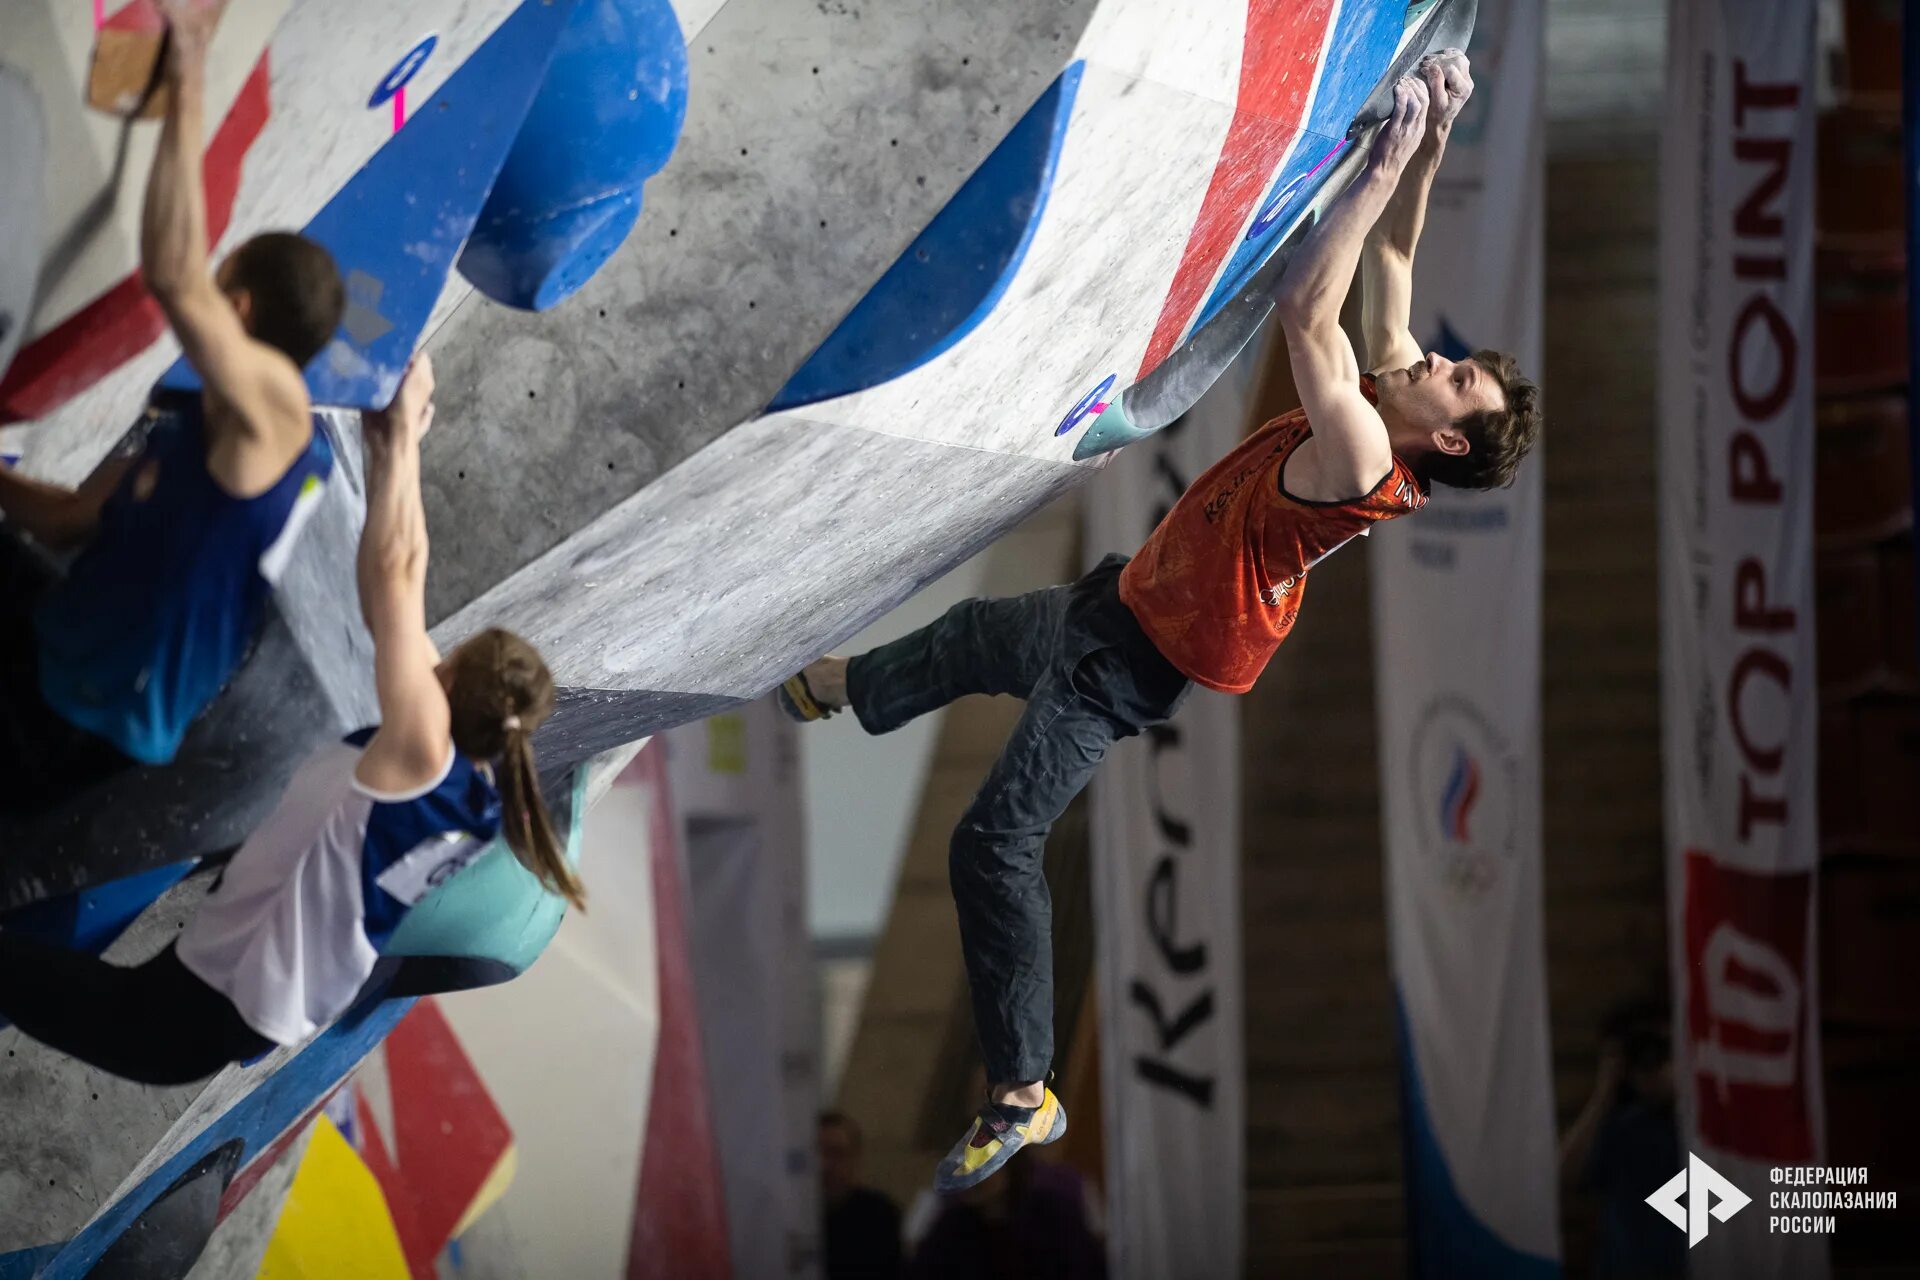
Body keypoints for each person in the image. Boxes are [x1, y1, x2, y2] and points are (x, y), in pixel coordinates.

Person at [777, 51, 1542, 1192]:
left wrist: (1379, 157)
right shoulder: (1396, 395)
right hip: (1128, 595)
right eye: (1457, 361)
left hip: (1131, 667)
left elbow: (1305, 306)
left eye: (1458, 383)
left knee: (989, 841)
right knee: (979, 634)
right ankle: (843, 687)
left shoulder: (1370, 449)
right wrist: (1430, 141)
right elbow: (1391, 255)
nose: (1435, 357)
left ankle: (1025, 1088)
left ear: (1445, 440)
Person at [0, 356, 584, 1084]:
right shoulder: (467, 779)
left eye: (447, 658)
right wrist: (389, 451)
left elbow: (399, 577)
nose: (429, 658)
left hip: (180, 1017)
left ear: (453, 681)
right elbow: (395, 592)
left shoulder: (420, 750)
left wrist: (399, 438)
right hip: (208, 1013)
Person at [0, 0, 343, 815]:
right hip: (66, 660)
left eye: (224, 288)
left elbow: (173, 273)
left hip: (77, 714)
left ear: (246, 313)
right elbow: (65, 521)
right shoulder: (205, 439)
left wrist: (188, 69)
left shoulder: (280, 420)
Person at [1560, 1003, 1684, 1280]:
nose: (1651, 1062)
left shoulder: (1702, 1127)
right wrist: (1604, 1093)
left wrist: (1686, 1091)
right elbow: (1565, 1175)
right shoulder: (1619, 1126)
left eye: (1661, 1050)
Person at [820, 1110, 904, 1280]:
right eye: (817, 1152)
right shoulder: (782, 1213)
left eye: (836, 1154)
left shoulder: (879, 1215)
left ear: (854, 1159)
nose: (824, 1164)